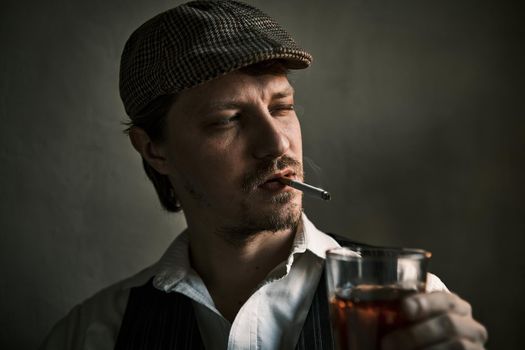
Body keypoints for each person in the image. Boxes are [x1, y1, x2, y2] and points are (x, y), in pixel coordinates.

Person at [40, 1, 488, 349]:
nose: (277, 144)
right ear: (154, 149)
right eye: (228, 119)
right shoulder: (94, 333)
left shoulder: (408, 303)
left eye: (282, 107)